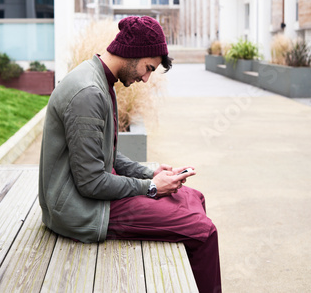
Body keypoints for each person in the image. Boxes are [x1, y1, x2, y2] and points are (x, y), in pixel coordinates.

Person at [39, 16, 222, 293]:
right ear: (133, 53)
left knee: (193, 197)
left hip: (92, 194)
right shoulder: (89, 92)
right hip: (80, 208)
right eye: (148, 68)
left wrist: (151, 172)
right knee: (203, 231)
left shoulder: (99, 78)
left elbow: (106, 153)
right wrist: (150, 188)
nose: (146, 78)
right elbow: (90, 183)